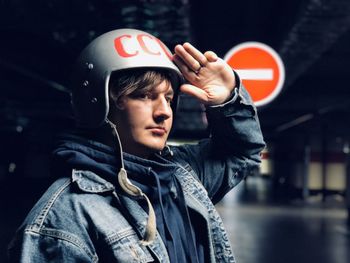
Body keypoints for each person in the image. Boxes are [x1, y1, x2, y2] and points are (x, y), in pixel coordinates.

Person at [8, 28, 265, 262]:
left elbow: (242, 152)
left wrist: (229, 101)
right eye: (144, 96)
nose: (164, 112)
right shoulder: (66, 216)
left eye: (168, 98)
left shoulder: (182, 176)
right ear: (98, 101)